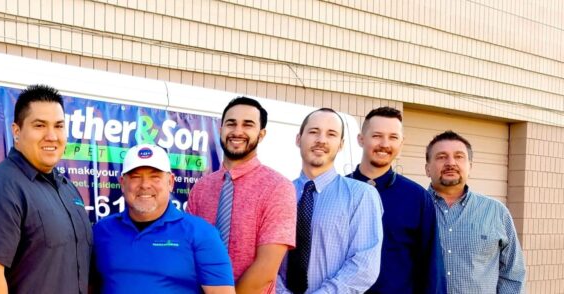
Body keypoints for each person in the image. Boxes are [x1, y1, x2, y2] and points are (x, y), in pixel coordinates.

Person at [0, 84, 92, 294]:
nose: (52, 136)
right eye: (40, 125)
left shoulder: (67, 189)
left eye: (58, 126)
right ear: (16, 130)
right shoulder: (0, 187)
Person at [187, 97, 295, 293]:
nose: (237, 131)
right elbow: (188, 253)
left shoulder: (278, 187)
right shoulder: (201, 188)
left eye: (248, 125)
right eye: (231, 123)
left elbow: (266, 269)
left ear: (261, 134)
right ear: (220, 129)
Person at [95, 144, 236, 294]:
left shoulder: (202, 234)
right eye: (136, 177)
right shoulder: (101, 231)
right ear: (123, 183)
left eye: (155, 177)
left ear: (170, 182)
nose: (145, 185)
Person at [277, 108, 383, 294]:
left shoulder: (361, 195)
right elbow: (265, 258)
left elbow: (364, 266)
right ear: (298, 139)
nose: (321, 140)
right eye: (313, 132)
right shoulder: (277, 194)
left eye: (331, 134)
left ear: (341, 144)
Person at [348, 107, 445, 293]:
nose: (385, 144)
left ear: (401, 143)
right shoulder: (339, 191)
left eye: (393, 137)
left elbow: (431, 265)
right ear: (361, 139)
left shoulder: (417, 198)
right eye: (377, 136)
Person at [425, 130, 525, 293]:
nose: (451, 163)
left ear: (470, 167)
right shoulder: (411, 209)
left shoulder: (496, 212)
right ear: (427, 168)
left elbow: (513, 274)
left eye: (459, 156)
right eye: (441, 156)